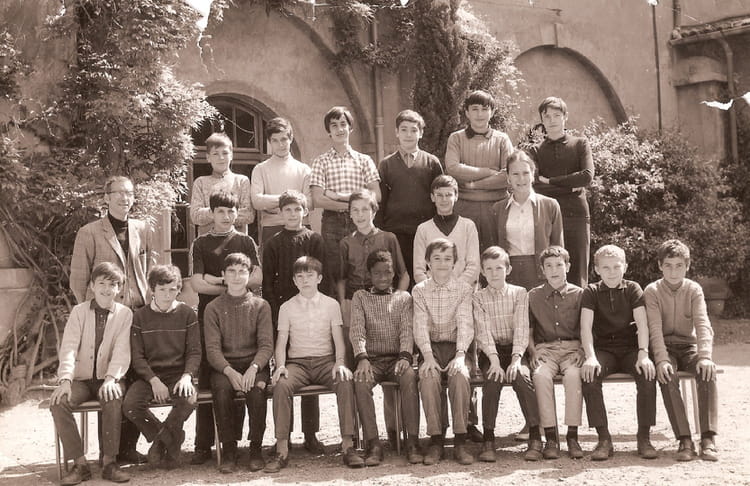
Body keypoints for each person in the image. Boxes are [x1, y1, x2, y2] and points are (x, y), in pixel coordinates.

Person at [69, 175, 153, 465]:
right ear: (106, 198)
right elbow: (79, 280)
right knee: (108, 381)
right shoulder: (89, 232)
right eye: (118, 193)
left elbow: (147, 271)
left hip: (137, 314)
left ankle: (128, 447)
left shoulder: (142, 228)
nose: (124, 198)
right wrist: (95, 314)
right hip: (106, 315)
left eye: (129, 193)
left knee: (134, 379)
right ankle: (109, 454)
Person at [265, 256, 360, 472]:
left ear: (319, 278)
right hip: (297, 364)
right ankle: (282, 450)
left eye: (310, 275)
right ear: (294, 281)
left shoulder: (331, 305)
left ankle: (348, 446)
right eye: (300, 276)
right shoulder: (286, 307)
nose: (305, 280)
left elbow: (338, 339)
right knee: (281, 385)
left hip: (325, 361)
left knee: (344, 380)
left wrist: (340, 362)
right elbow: (281, 342)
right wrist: (280, 366)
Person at [189, 190, 261, 465]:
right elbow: (197, 283)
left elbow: (257, 277)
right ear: (211, 213)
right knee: (212, 379)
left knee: (239, 381)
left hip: (241, 312)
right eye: (221, 211)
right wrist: (227, 285)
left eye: (231, 211)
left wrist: (216, 279)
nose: (227, 216)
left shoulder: (245, 240)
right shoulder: (201, 243)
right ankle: (203, 444)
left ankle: (233, 444)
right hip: (211, 313)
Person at [50, 262, 132, 485]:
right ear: (92, 286)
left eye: (112, 284)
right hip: (81, 379)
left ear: (119, 288)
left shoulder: (125, 314)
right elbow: (69, 347)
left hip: (109, 377)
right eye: (102, 283)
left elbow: (122, 350)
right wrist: (65, 380)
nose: (107, 289)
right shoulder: (79, 312)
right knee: (59, 402)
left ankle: (109, 463)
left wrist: (111, 378)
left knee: (112, 396)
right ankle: (80, 464)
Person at [261, 189, 326, 453]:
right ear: (280, 213)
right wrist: (275, 313)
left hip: (311, 311)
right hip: (283, 312)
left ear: (305, 211)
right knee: (284, 372)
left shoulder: (314, 240)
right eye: (287, 209)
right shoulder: (273, 243)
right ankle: (283, 436)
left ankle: (310, 434)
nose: (292, 214)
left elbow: (323, 278)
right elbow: (267, 282)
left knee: (311, 362)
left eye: (297, 209)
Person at [580, 245, 657, 461]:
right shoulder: (591, 291)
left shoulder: (633, 289)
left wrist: (643, 353)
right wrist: (590, 356)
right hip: (604, 349)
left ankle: (644, 437)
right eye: (606, 267)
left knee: (647, 374)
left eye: (616, 266)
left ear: (625, 267)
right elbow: (585, 327)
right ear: (597, 270)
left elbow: (642, 324)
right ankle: (604, 439)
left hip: (631, 348)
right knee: (589, 376)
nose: (612, 272)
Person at [645, 239, 718, 461]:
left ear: (687, 266)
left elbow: (703, 324)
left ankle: (708, 438)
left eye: (679, 265)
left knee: (707, 371)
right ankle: (684, 439)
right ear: (660, 266)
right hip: (665, 347)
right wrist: (661, 360)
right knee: (667, 375)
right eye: (668, 265)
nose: (673, 271)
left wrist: (705, 356)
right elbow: (654, 329)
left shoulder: (693, 289)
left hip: (689, 346)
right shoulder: (652, 291)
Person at [123, 265, 200, 468]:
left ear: (179, 289)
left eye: (172, 289)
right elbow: (137, 357)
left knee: (189, 400)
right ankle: (169, 438)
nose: (167, 294)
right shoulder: (140, 316)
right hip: (149, 377)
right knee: (130, 405)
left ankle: (159, 444)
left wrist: (187, 376)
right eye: (162, 289)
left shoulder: (187, 314)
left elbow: (194, 352)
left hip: (178, 375)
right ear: (152, 290)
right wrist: (154, 380)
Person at [350, 250, 422, 465]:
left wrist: (405, 357)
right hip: (371, 360)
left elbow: (407, 330)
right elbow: (357, 330)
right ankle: (373, 443)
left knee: (409, 377)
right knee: (361, 380)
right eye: (377, 273)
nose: (383, 278)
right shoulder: (360, 297)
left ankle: (413, 442)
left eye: (387, 273)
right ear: (369, 274)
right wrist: (362, 357)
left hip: (396, 359)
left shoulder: (403, 298)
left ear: (394, 274)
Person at [472, 246, 542, 462]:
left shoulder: (519, 293)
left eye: (499, 268)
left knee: (521, 377)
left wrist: (516, 359)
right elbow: (483, 332)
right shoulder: (478, 298)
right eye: (489, 269)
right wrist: (494, 361)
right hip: (491, 352)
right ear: (482, 271)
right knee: (492, 380)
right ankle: (489, 440)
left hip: (515, 350)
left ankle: (535, 436)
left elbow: (521, 327)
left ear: (508, 269)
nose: (494, 273)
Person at [204, 253, 273, 473]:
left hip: (254, 365)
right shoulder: (213, 308)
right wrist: (229, 372)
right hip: (225, 367)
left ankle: (255, 449)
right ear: (223, 275)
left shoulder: (261, 305)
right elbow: (212, 350)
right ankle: (229, 450)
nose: (236, 276)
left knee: (256, 391)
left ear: (249, 274)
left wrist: (254, 367)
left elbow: (266, 346)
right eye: (231, 271)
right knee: (222, 391)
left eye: (242, 271)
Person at [413, 238, 475, 466]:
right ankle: (436, 440)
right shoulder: (419, 290)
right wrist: (428, 356)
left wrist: (460, 355)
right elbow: (420, 325)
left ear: (455, 263)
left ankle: (460, 440)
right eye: (436, 258)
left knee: (460, 376)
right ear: (428, 262)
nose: (442, 263)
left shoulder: (464, 289)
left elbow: (465, 323)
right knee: (428, 377)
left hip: (457, 347)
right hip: (430, 347)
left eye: (447, 259)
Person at [310, 106, 381, 295]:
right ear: (328, 131)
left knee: (363, 266)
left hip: (360, 221)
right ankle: (340, 310)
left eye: (343, 124)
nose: (339, 129)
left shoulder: (364, 160)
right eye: (334, 125)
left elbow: (376, 195)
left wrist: (338, 196)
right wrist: (353, 203)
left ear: (350, 128)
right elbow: (318, 199)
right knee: (335, 270)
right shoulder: (321, 161)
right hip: (332, 223)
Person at [528, 97, 594, 288]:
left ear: (565, 117)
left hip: (576, 215)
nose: (552, 120)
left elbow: (586, 177)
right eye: (547, 116)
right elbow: (535, 185)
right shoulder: (535, 151)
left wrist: (550, 181)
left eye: (557, 115)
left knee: (578, 273)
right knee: (550, 271)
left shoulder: (580, 144)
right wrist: (570, 186)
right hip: (547, 216)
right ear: (542, 119)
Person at [527, 246, 584, 459]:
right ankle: (551, 437)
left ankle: (572, 436)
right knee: (540, 376)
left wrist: (583, 350)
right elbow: (528, 330)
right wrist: (532, 352)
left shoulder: (579, 294)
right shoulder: (533, 296)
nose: (554, 270)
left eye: (559, 265)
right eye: (548, 266)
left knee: (574, 375)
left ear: (567, 267)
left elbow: (588, 327)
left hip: (572, 349)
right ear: (542, 270)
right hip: (546, 350)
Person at [377, 109, 443, 287]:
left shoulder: (431, 163)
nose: (408, 134)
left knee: (423, 280)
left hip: (424, 232)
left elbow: (440, 198)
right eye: (404, 129)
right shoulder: (386, 165)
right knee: (400, 280)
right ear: (396, 132)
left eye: (414, 130)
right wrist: (382, 233)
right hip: (396, 233)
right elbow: (381, 203)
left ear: (420, 133)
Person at [445, 90, 513, 252]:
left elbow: (508, 175)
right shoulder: (456, 138)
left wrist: (473, 185)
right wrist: (489, 172)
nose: (480, 114)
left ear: (492, 112)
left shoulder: (502, 139)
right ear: (467, 112)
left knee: (495, 256)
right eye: (474, 109)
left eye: (484, 109)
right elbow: (453, 168)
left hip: (496, 208)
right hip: (464, 207)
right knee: (462, 255)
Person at [491, 151, 563, 291]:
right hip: (509, 277)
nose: (521, 178)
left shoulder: (550, 205)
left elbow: (558, 248)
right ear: (508, 177)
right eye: (515, 174)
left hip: (541, 275)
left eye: (525, 173)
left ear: (532, 174)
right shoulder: (497, 209)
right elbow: (494, 249)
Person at [250, 118, 312, 247]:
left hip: (300, 227)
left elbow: (310, 203)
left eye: (284, 139)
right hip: (272, 227)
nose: (280, 145)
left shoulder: (304, 169)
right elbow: (256, 201)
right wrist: (290, 199)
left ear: (291, 138)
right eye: (275, 141)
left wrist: (273, 203)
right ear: (269, 142)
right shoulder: (260, 169)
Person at [413, 175, 479, 286]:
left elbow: (473, 266)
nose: (444, 199)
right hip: (432, 291)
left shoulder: (468, 226)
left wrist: (455, 288)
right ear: (432, 197)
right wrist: (434, 289)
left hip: (462, 290)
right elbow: (419, 270)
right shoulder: (423, 229)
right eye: (439, 195)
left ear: (456, 196)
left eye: (448, 195)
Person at [190, 132, 254, 235]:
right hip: (208, 240)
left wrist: (216, 213)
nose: (221, 158)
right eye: (215, 154)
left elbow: (248, 214)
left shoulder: (242, 181)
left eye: (225, 153)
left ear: (231, 155)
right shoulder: (200, 182)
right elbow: (195, 216)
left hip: (236, 240)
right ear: (208, 157)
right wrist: (228, 213)